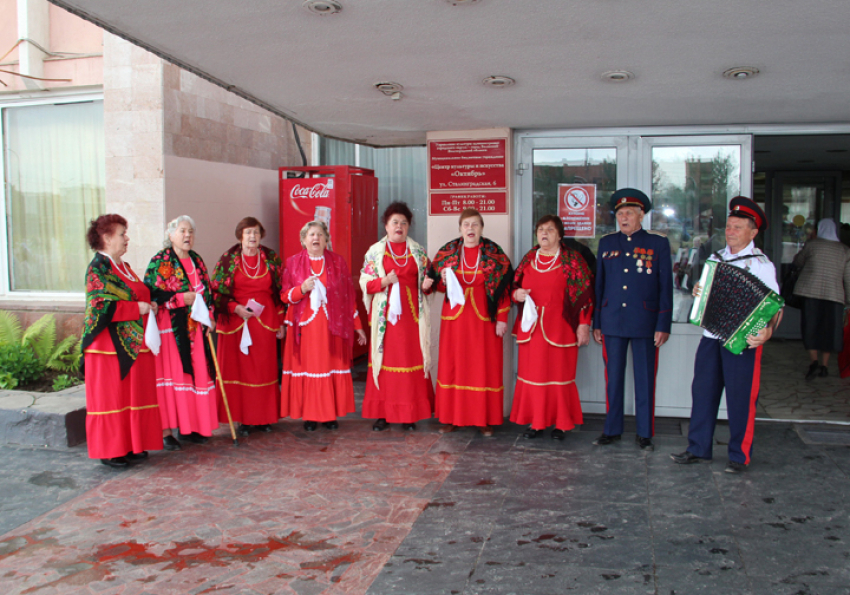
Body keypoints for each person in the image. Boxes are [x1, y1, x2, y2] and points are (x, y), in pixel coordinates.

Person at [671, 197, 783, 474]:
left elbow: (775, 306)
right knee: (703, 393)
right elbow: (703, 292)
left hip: (742, 340)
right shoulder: (715, 258)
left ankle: (739, 455)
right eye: (729, 226)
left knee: (741, 398)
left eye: (737, 227)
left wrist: (767, 331)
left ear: (753, 232)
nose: (730, 231)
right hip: (711, 335)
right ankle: (698, 448)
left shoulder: (761, 265)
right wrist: (699, 291)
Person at [592, 188, 672, 451]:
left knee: (645, 378)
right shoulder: (607, 243)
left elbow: (665, 287)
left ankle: (644, 432)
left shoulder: (657, 243)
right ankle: (612, 429)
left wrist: (663, 324)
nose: (623, 217)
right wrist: (597, 322)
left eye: (629, 213)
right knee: (613, 378)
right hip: (612, 320)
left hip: (645, 322)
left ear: (641, 216)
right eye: (620, 213)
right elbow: (599, 286)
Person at [81, 214, 162, 468]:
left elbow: (138, 293)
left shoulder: (124, 266)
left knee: (132, 396)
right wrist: (137, 309)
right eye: (121, 234)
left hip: (131, 343)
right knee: (111, 398)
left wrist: (150, 304)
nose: (127, 239)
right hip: (106, 347)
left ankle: (132, 444)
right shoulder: (98, 268)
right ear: (106, 238)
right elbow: (100, 306)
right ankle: (111, 450)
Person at [427, 208, 513, 437]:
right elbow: (434, 284)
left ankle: (483, 418)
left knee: (482, 368)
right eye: (466, 224)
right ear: (460, 228)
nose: (470, 229)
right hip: (455, 322)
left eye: (475, 224)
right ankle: (451, 417)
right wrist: (441, 279)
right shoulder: (448, 252)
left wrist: (502, 319)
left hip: (485, 322)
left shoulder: (494, 254)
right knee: (454, 367)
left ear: (482, 228)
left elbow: (505, 289)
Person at [511, 215, 594, 440]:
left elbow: (585, 297)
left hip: (562, 328)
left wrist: (584, 325)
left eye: (549, 229)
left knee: (559, 378)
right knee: (534, 377)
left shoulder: (572, 260)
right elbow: (514, 286)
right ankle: (537, 423)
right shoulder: (529, 259)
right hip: (532, 330)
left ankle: (562, 424)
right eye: (540, 229)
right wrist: (516, 294)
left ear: (559, 235)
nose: (544, 233)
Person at [280, 221, 367, 431]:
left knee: (329, 368)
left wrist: (358, 326)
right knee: (309, 368)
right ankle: (310, 416)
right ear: (303, 240)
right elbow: (284, 296)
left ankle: (329, 415)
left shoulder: (338, 262)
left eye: (320, 234)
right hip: (304, 330)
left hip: (332, 328)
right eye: (311, 235)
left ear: (326, 239)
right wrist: (302, 288)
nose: (316, 238)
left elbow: (348, 297)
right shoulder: (292, 263)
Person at [360, 202, 435, 431]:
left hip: (412, 319)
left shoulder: (419, 252)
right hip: (386, 321)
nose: (399, 226)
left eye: (404, 222)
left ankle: (409, 413)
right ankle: (383, 413)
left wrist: (427, 285)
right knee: (384, 363)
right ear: (386, 225)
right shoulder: (374, 252)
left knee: (411, 362)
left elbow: (428, 284)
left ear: (409, 226)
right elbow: (365, 283)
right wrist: (383, 282)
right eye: (395, 222)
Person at [145, 216, 218, 451]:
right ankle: (167, 432)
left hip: (195, 328)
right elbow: (151, 293)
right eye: (183, 231)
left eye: (191, 232)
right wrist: (178, 298)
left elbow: (208, 291)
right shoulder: (160, 260)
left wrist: (211, 317)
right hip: (172, 329)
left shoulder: (197, 260)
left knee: (195, 376)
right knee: (173, 376)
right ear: (171, 234)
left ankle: (192, 427)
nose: (188, 235)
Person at [211, 217, 284, 435]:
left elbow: (280, 291)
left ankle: (264, 417)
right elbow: (215, 291)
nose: (252, 237)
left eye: (256, 232)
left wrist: (280, 321)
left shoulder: (271, 258)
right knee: (238, 371)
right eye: (248, 232)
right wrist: (234, 307)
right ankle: (242, 419)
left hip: (264, 323)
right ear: (240, 236)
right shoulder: (228, 259)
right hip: (236, 322)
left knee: (263, 370)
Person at [791, 218, 850, 380]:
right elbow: (848, 277)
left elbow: (797, 262)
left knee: (811, 327)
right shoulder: (844, 250)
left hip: (810, 293)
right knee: (829, 330)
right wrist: (849, 301)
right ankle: (824, 366)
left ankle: (814, 362)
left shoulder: (812, 245)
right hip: (834, 296)